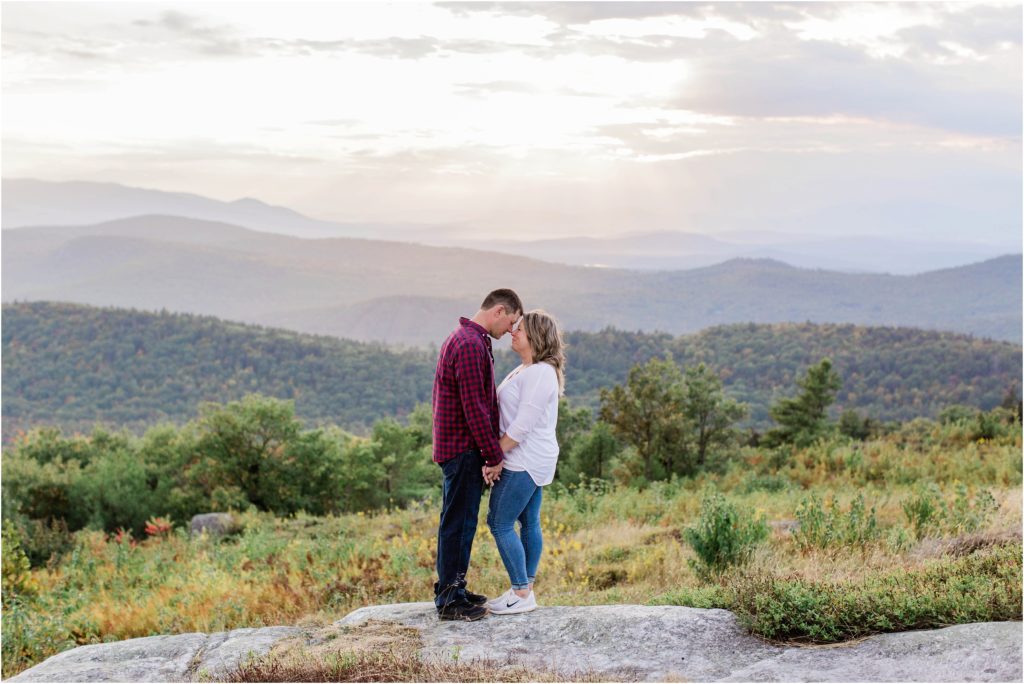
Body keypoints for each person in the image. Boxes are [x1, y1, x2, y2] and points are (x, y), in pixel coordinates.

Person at [432, 288, 523, 621]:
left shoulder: (468, 339)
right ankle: (450, 601)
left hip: (459, 447)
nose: (511, 332)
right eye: (511, 322)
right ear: (499, 311)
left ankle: (452, 588)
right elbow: (475, 408)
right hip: (463, 449)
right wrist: (492, 455)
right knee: (459, 523)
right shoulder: (470, 346)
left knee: (458, 522)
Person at [483, 309, 565, 615]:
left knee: (499, 522)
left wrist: (495, 458)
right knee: (528, 521)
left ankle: (520, 591)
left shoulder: (540, 372)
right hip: (530, 456)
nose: (513, 332)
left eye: (520, 329)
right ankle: (525, 589)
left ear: (536, 336)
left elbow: (522, 424)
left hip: (524, 458)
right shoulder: (526, 369)